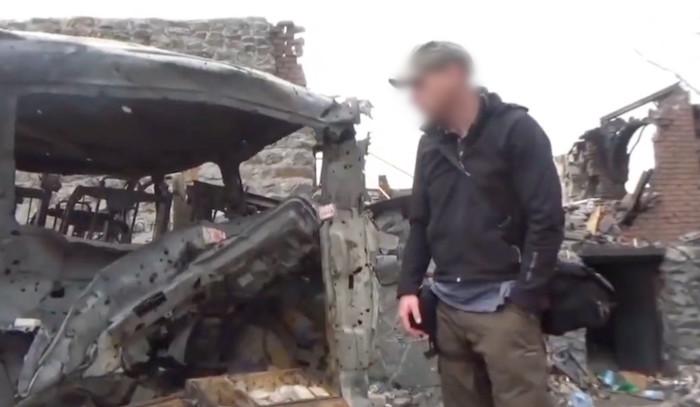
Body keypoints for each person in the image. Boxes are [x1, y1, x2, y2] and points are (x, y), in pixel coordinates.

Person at [391, 41, 564, 407]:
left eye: (420, 84)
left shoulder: (516, 129)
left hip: (504, 307)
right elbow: (421, 221)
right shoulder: (429, 146)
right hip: (449, 308)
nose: (415, 97)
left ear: (454, 75)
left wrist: (525, 298)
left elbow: (546, 219)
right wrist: (408, 289)